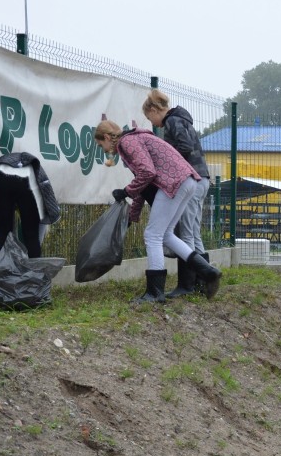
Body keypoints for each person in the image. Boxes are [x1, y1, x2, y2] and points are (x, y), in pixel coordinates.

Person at [94, 120, 222, 303]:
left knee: (152, 235)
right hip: (188, 181)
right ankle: (208, 272)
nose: (104, 150)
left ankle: (155, 292)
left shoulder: (126, 142)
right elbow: (144, 184)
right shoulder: (136, 138)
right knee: (166, 234)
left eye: (101, 145)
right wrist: (132, 216)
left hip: (174, 183)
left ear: (107, 137)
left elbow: (147, 173)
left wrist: (126, 191)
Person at [142, 89, 212, 298]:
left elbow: (185, 146)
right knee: (193, 232)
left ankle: (187, 285)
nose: (152, 123)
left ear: (155, 110)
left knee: (186, 234)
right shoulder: (182, 119)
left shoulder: (173, 121)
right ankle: (204, 280)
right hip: (202, 178)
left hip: (192, 178)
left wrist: (168, 164)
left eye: (150, 117)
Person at [0, 152, 60, 274]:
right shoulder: (34, 171)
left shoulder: (2, 164)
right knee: (31, 235)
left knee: (2, 231)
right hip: (27, 178)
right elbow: (44, 208)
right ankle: (34, 279)